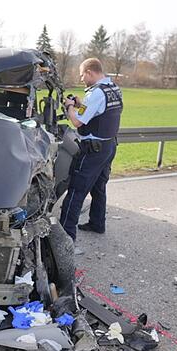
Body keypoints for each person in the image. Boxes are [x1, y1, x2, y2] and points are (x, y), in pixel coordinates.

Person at [59, 58, 123, 241]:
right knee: (98, 187)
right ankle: (97, 223)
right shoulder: (113, 89)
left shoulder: (95, 93)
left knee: (77, 191)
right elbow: (99, 112)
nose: (81, 80)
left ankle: (65, 236)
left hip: (93, 150)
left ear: (89, 72)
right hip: (109, 146)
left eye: (82, 75)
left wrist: (70, 107)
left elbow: (77, 121)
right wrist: (80, 104)